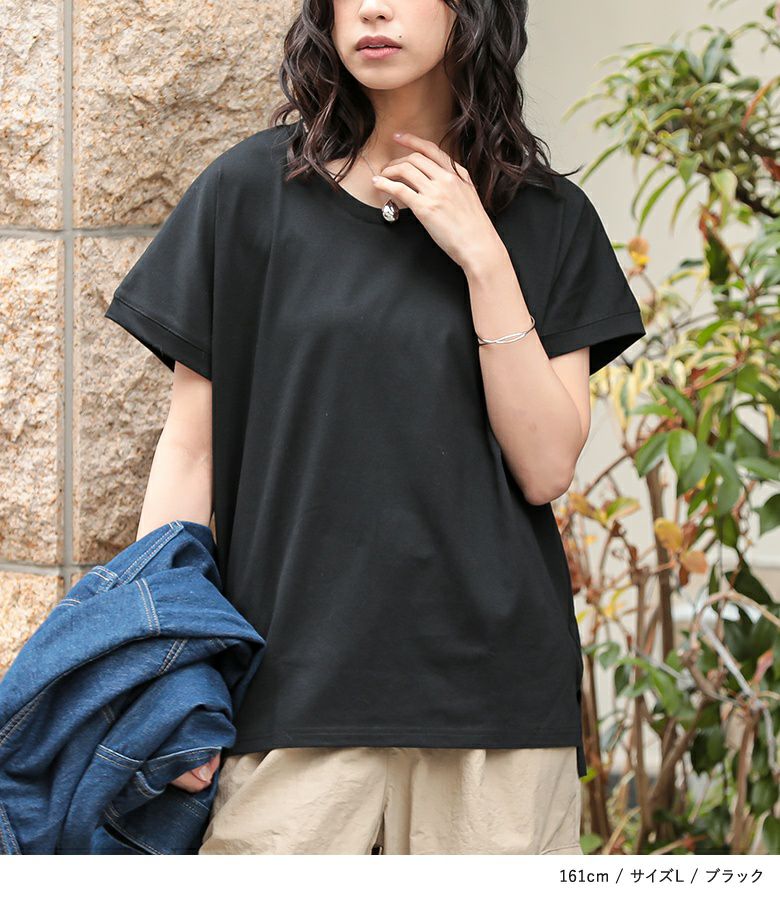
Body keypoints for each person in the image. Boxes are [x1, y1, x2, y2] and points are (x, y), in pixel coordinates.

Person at [104, 0, 646, 855]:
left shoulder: (548, 218)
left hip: (493, 707)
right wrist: (166, 678)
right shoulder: (249, 195)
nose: (373, 9)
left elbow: (546, 466)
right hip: (287, 696)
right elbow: (190, 453)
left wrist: (483, 257)